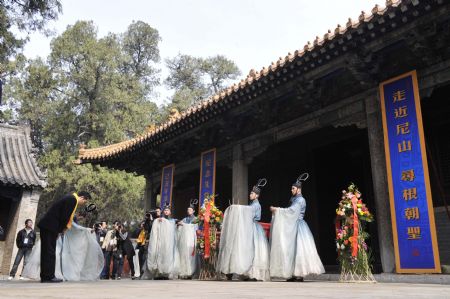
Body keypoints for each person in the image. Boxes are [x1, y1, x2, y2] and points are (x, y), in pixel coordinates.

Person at [269, 173, 325, 281]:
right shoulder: (294, 199)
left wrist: (278, 209)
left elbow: (292, 211)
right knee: (292, 250)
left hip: (299, 227)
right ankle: (293, 273)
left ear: (298, 189)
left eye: (293, 188)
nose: (291, 190)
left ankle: (299, 274)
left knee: (299, 250)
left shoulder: (300, 200)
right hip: (292, 226)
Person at [217, 179, 270, 281]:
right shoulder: (251, 204)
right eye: (250, 193)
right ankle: (244, 272)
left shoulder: (256, 205)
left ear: (257, 195)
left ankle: (253, 274)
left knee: (254, 250)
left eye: (252, 193)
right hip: (249, 227)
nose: (250, 195)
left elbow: (247, 211)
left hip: (254, 229)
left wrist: (238, 208)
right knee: (246, 250)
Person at [36, 191, 91, 283]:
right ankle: (48, 277)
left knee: (47, 251)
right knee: (49, 252)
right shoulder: (72, 200)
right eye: (85, 201)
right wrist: (60, 230)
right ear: (82, 198)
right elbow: (64, 217)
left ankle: (46, 276)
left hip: (49, 226)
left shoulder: (70, 198)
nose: (83, 204)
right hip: (50, 226)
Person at [146, 205, 178, 279]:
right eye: (165, 210)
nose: (166, 211)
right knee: (159, 256)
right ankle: (158, 273)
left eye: (168, 210)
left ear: (170, 212)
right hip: (161, 242)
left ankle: (166, 273)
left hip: (169, 243)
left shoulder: (173, 220)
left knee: (167, 256)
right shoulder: (160, 219)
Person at [176, 200, 198, 278]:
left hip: (192, 240)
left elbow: (194, 228)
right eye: (188, 210)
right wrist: (179, 224)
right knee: (184, 255)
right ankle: (184, 272)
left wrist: (184, 225)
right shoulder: (185, 219)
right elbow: (180, 224)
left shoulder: (196, 219)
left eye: (190, 210)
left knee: (191, 256)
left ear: (194, 211)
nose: (188, 211)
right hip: (185, 240)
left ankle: (190, 272)